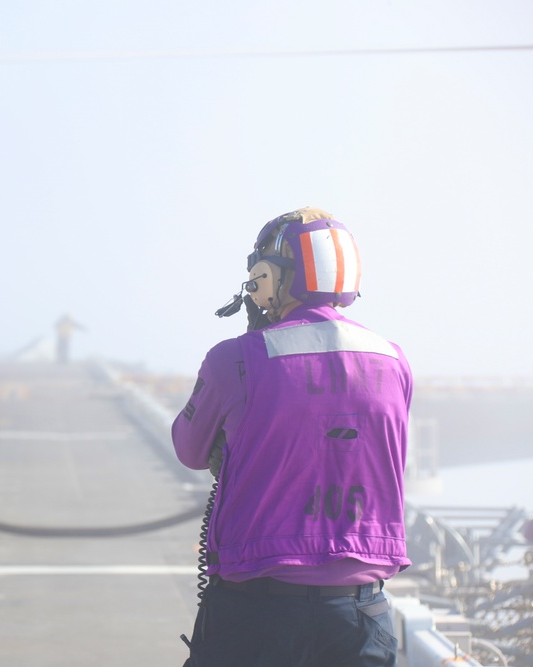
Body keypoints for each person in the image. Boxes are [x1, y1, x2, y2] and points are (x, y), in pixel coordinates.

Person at [172, 207, 413, 667]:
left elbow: (188, 447)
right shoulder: (394, 360)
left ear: (266, 274)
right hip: (361, 609)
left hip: (256, 607)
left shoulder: (237, 359)